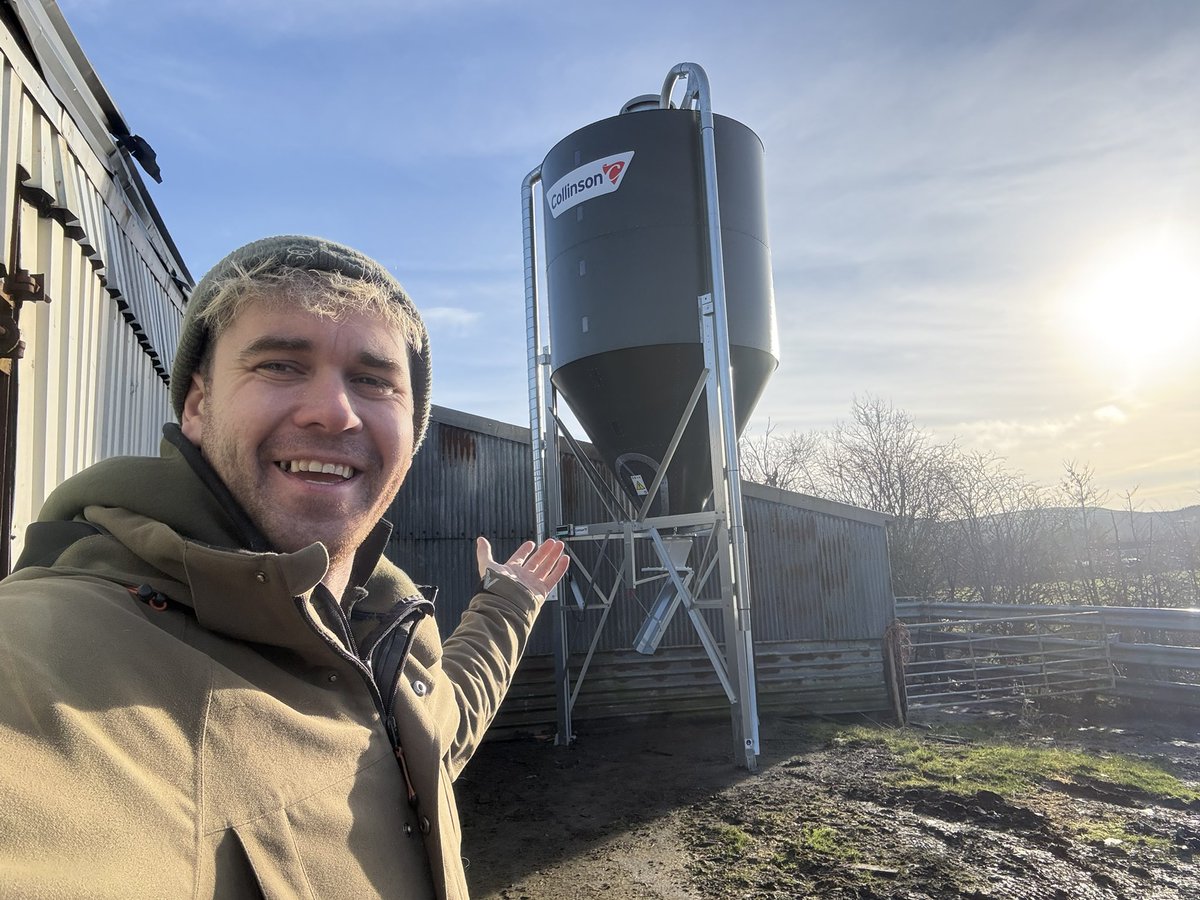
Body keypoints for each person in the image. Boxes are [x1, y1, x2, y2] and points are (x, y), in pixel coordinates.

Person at [0, 235, 568, 899]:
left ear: (411, 434)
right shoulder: (44, 647)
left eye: (373, 380)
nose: (333, 410)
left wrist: (508, 602)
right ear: (196, 405)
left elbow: (438, 730)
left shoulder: (385, 633)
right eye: (280, 365)